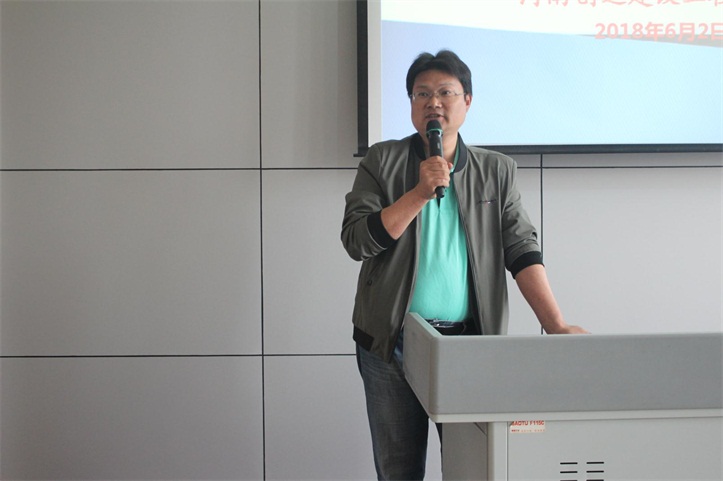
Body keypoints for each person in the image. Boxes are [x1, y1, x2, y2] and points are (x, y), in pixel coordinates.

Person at [341, 50, 587, 480]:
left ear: (467, 101)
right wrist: (419, 193)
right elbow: (357, 240)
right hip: (391, 345)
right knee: (398, 471)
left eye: (445, 92)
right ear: (411, 104)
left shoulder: (496, 170)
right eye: (421, 94)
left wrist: (556, 324)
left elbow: (521, 248)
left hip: (469, 345)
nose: (433, 103)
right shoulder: (381, 161)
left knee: (473, 467)